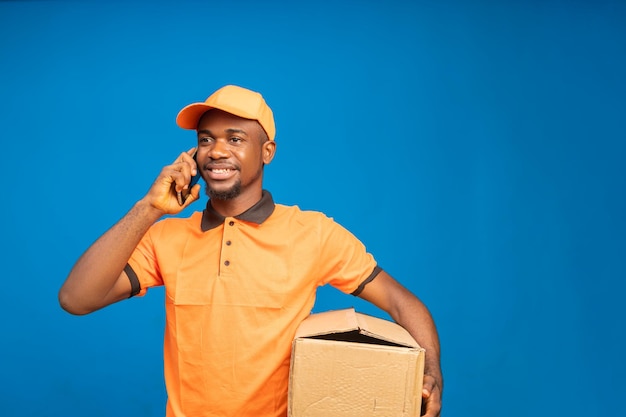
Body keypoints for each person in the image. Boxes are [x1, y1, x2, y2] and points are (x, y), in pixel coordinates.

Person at [58, 85, 443, 417]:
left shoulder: (313, 233)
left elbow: (399, 300)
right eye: (205, 139)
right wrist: (149, 208)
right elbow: (76, 299)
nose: (216, 151)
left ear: (267, 152)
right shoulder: (166, 238)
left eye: (235, 139)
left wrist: (431, 372)